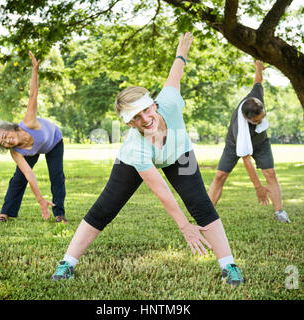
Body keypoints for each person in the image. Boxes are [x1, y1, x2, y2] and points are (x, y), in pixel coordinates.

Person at [51, 32, 244, 286]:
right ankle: (67, 263)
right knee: (104, 208)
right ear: (129, 123)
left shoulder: (171, 103)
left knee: (201, 204)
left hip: (179, 153)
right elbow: (161, 191)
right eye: (136, 118)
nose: (145, 119)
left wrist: (181, 53)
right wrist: (184, 226)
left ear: (153, 105)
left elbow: (175, 75)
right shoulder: (136, 148)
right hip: (133, 164)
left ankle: (228, 265)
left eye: (146, 110)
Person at [0, 51, 68, 224]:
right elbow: (30, 175)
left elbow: (33, 94)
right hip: (32, 151)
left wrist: (35, 70)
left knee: (57, 176)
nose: (7, 141)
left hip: (53, 141)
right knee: (18, 179)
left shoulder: (29, 122)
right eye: (3, 143)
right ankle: (5, 214)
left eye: (5, 136)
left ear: (11, 128)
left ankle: (59, 213)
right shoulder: (15, 152)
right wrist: (40, 201)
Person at [208, 60, 290, 223]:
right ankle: (207, 216)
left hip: (261, 143)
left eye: (263, 117)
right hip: (234, 145)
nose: (261, 122)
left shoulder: (256, 97)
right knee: (220, 176)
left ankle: (279, 213)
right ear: (247, 119)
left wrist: (258, 66)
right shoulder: (241, 129)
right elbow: (246, 161)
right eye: (257, 122)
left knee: (270, 173)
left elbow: (258, 80)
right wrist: (258, 187)